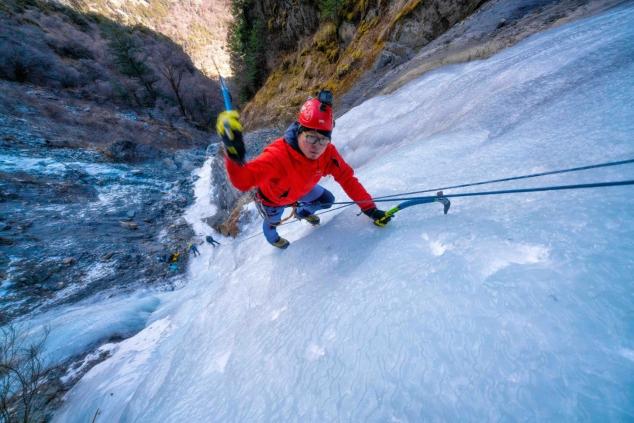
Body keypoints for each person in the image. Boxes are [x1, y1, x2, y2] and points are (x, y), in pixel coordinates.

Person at [216, 90, 391, 249]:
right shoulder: (277, 155)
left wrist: (370, 209)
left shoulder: (328, 153)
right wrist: (234, 156)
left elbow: (347, 179)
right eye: (311, 138)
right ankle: (273, 239)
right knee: (272, 223)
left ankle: (302, 212)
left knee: (326, 200)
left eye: (323, 140)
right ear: (299, 132)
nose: (316, 146)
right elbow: (243, 181)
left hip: (301, 190)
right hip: (273, 200)